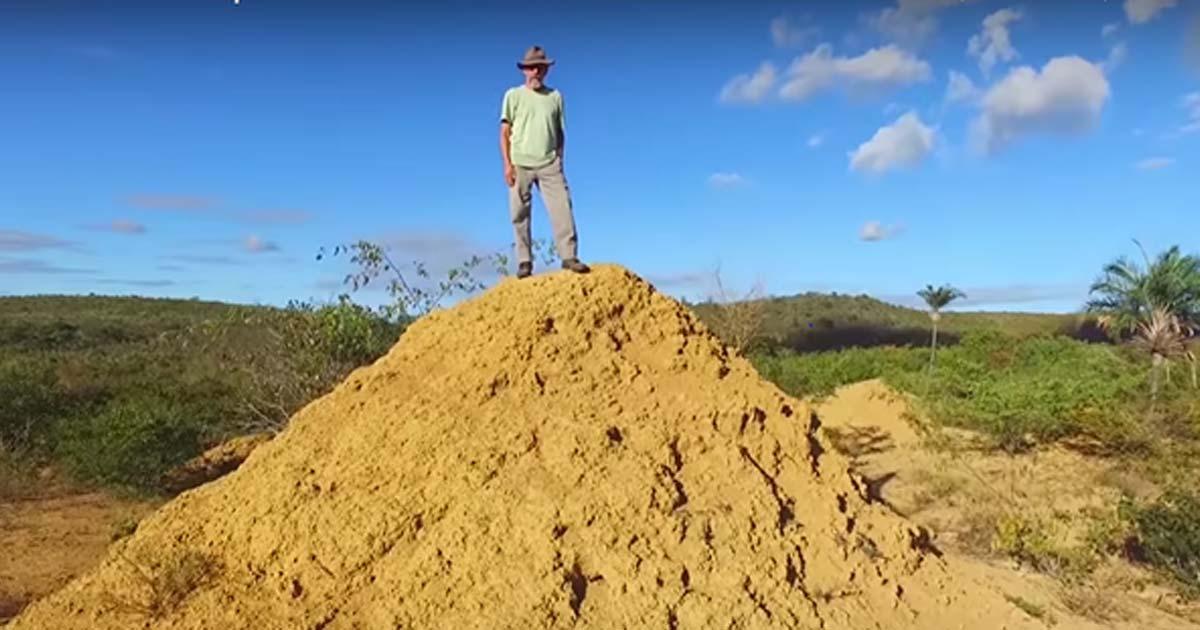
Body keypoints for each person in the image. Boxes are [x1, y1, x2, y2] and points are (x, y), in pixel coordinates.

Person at [499, 45, 590, 278]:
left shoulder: (555, 97)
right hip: (520, 162)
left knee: (562, 208)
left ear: (546, 70)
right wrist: (507, 164)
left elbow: (561, 133)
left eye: (540, 67)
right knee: (519, 213)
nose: (536, 72)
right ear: (524, 70)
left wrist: (560, 159)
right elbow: (504, 131)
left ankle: (569, 256)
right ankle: (524, 261)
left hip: (549, 163)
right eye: (531, 68)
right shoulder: (513, 95)